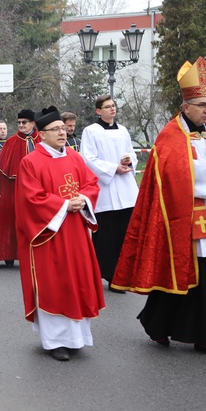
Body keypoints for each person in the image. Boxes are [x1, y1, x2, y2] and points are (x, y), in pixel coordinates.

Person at [112, 57, 206, 355]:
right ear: (186, 107)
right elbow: (176, 174)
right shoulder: (171, 135)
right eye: (203, 106)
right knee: (187, 275)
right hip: (186, 216)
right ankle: (177, 329)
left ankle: (205, 335)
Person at [15, 107, 105, 361]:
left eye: (63, 128)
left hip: (75, 232)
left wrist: (84, 199)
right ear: (41, 135)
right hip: (48, 235)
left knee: (76, 281)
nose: (62, 133)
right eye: (56, 129)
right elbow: (31, 199)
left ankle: (77, 338)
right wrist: (65, 204)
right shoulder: (30, 163)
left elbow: (91, 183)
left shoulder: (75, 158)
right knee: (55, 284)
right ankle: (55, 342)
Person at [80, 95, 139, 293]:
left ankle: (124, 275)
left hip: (126, 190)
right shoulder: (91, 131)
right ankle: (110, 275)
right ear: (98, 111)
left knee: (125, 235)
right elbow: (88, 158)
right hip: (105, 191)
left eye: (113, 106)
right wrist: (114, 168)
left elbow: (132, 152)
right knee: (107, 237)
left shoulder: (122, 130)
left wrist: (129, 161)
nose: (112, 109)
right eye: (107, 107)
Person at [0, 109, 39, 266]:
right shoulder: (11, 142)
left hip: (39, 188)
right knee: (10, 220)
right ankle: (9, 253)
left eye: (24, 122)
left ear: (33, 123)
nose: (21, 125)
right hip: (14, 189)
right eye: (19, 123)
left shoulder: (42, 140)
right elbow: (2, 175)